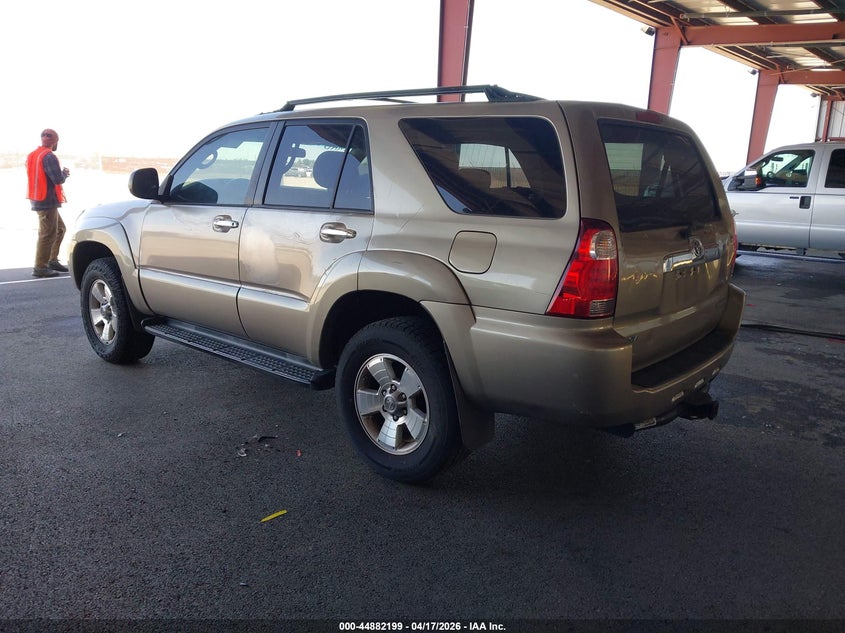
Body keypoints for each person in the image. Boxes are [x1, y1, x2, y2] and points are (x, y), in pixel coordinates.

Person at [26, 129, 70, 278]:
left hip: (38, 197)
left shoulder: (33, 155)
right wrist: (64, 174)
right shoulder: (48, 156)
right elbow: (57, 179)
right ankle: (40, 267)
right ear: (55, 142)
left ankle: (52, 260)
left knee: (60, 229)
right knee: (47, 234)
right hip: (46, 200)